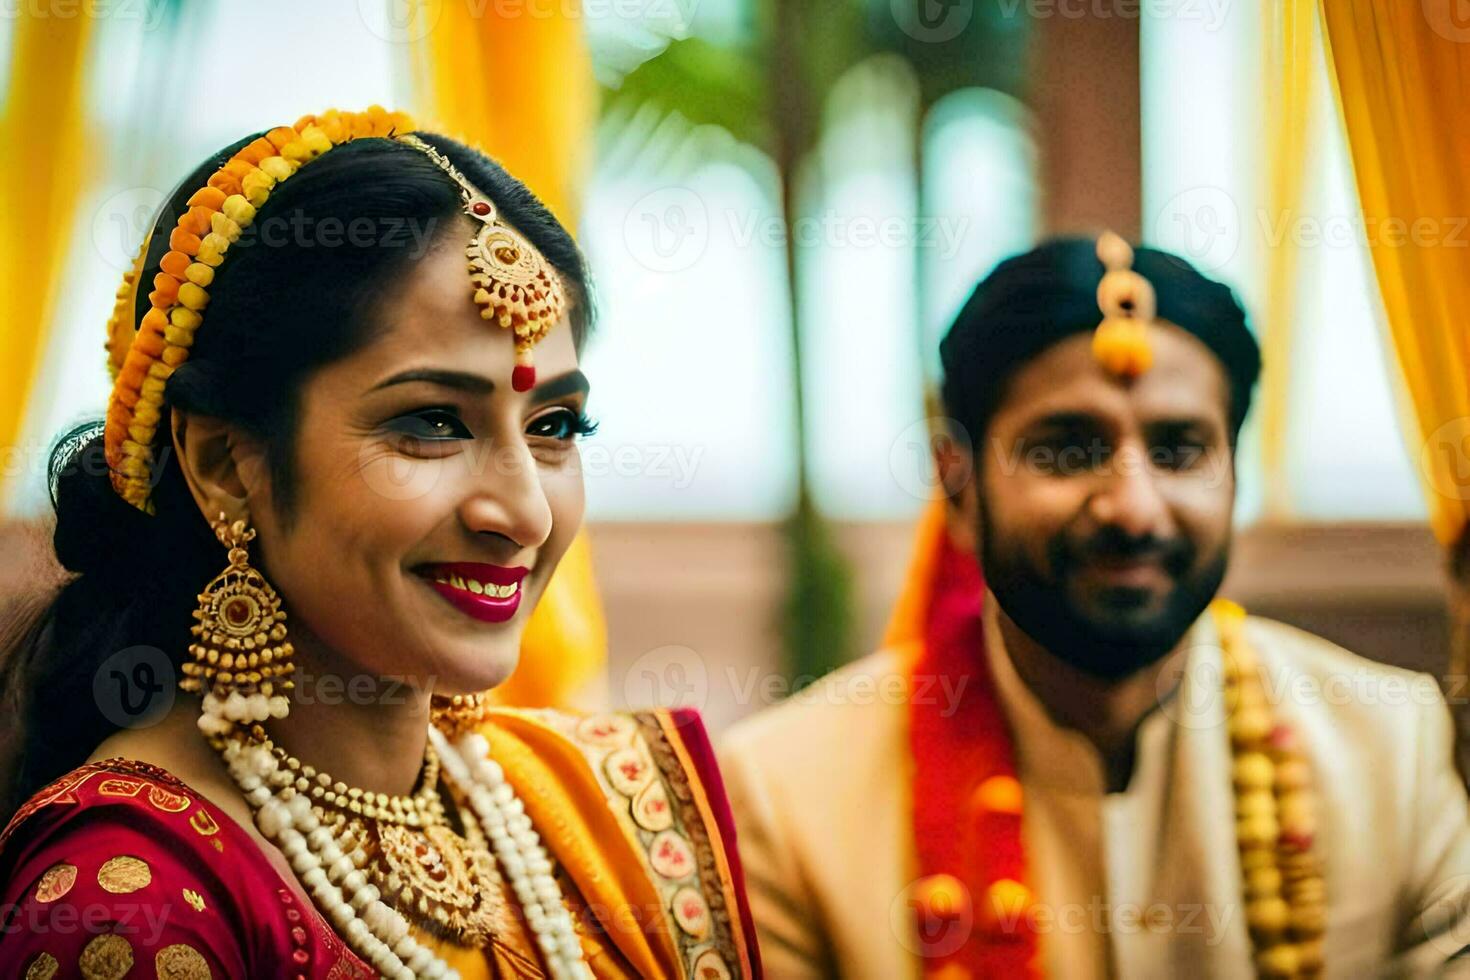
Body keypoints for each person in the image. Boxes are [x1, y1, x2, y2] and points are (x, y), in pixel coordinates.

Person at [0, 106, 759, 979]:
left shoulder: (597, 809)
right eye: (433, 423)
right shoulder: (135, 902)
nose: (525, 512)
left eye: (555, 425)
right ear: (222, 463)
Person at [717, 233, 1470, 979]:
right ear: (957, 483)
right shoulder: (788, 799)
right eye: (1067, 450)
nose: (1134, 509)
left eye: (1179, 451)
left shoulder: (1386, 751)